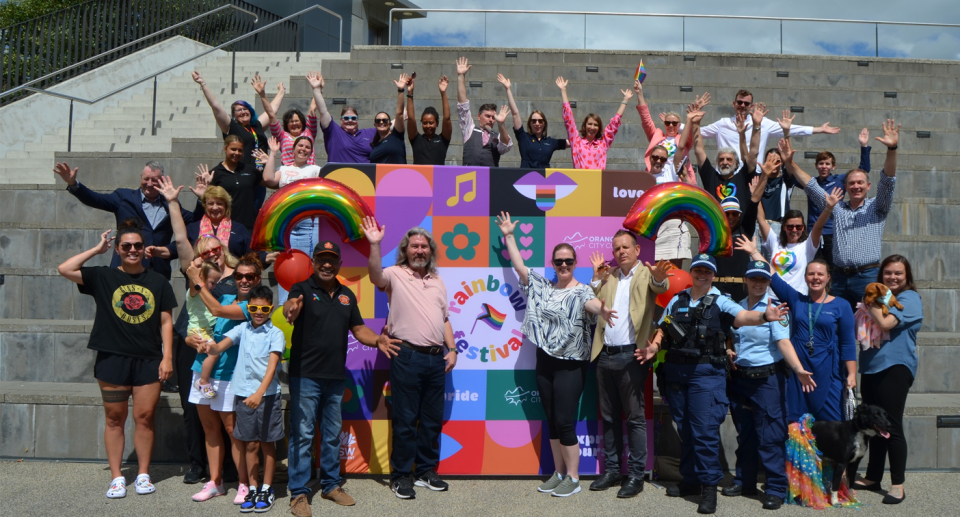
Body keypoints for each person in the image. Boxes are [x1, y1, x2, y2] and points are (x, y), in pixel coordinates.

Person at [645, 254, 788, 514]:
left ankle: (709, 488)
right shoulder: (678, 299)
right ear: (692, 272)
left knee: (704, 432)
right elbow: (664, 327)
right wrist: (654, 346)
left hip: (706, 375)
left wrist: (764, 317)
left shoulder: (722, 301)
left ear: (713, 274)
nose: (702, 274)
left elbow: (743, 317)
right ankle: (691, 481)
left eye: (707, 271)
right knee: (686, 430)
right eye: (698, 269)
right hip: (677, 375)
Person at [496, 212, 616, 498]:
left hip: (571, 366)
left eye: (569, 261)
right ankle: (559, 472)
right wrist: (509, 236)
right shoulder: (543, 288)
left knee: (564, 420)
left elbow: (592, 304)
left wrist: (602, 309)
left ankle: (573, 478)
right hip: (544, 363)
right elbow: (520, 268)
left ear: (575, 264)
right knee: (551, 419)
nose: (564, 265)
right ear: (553, 263)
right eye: (559, 261)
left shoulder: (582, 291)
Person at [57, 219, 177, 499]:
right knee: (114, 419)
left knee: (145, 417)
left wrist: (167, 356)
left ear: (144, 248)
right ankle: (117, 477)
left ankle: (144, 474)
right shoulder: (103, 276)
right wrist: (97, 249)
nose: (132, 249)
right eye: (126, 246)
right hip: (112, 359)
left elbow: (166, 321)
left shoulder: (157, 281)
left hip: (148, 359)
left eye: (137, 245)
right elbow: (65, 269)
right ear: (118, 249)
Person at [282, 241, 385, 515]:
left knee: (330, 435)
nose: (327, 264)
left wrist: (379, 341)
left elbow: (360, 329)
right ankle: (300, 493)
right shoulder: (301, 289)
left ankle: (330, 485)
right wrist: (290, 309)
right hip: (305, 376)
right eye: (321, 259)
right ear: (313, 262)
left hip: (335, 378)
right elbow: (289, 307)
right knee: (303, 435)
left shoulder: (347, 295)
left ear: (339, 263)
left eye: (332, 260)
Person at [360, 218, 457, 499]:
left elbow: (445, 319)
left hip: (436, 358)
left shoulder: (437, 280)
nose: (419, 250)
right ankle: (401, 476)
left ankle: (426, 471)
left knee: (430, 419)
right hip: (407, 356)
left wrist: (452, 349)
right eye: (414, 246)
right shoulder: (394, 274)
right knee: (405, 419)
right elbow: (375, 276)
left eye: (424, 246)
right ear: (406, 249)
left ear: (431, 251)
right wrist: (375, 244)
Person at [160, 176, 242, 486]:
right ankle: (198, 464)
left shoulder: (238, 276)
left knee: (227, 412)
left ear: (223, 248)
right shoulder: (195, 271)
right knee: (194, 408)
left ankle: (231, 472)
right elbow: (181, 240)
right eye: (205, 252)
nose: (211, 255)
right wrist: (172, 203)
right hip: (190, 343)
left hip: (225, 349)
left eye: (215, 250)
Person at [722, 260, 816, 510]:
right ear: (746, 280)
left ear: (768, 282)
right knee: (746, 434)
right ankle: (745, 481)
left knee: (770, 436)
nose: (758, 283)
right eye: (754, 278)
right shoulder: (737, 309)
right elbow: (731, 338)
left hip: (767, 381)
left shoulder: (778, 309)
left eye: (763, 279)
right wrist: (729, 350)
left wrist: (797, 369)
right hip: (740, 379)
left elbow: (784, 343)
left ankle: (775, 488)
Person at [779, 119, 900, 310]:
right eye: (851, 183)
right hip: (840, 278)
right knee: (838, 328)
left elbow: (888, 181)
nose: (856, 186)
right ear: (845, 187)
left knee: (869, 331)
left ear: (868, 186)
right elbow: (812, 187)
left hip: (866, 276)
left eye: (860, 183)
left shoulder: (878, 207)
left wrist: (892, 150)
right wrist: (790, 163)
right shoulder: (838, 208)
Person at [736, 237, 856, 422]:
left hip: (828, 370)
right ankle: (799, 453)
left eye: (820, 274)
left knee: (831, 423)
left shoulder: (842, 305)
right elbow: (774, 276)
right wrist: (753, 252)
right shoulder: (796, 300)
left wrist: (852, 374)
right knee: (797, 424)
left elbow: (848, 343)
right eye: (811, 274)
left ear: (828, 277)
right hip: (799, 369)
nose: (815, 278)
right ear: (805, 277)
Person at [586, 231, 670, 498]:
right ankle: (612, 470)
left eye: (626, 247)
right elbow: (591, 302)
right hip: (604, 355)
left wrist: (658, 276)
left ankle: (635, 475)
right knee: (609, 418)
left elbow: (661, 286)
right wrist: (596, 279)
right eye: (616, 248)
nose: (621, 251)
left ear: (636, 250)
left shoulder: (647, 273)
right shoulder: (608, 276)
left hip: (632, 357)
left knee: (634, 419)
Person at [184, 254, 266, 504]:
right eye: (239, 275)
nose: (243, 280)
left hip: (231, 376)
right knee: (209, 429)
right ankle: (216, 482)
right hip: (203, 370)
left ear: (257, 279)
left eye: (249, 276)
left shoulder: (251, 306)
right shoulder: (226, 296)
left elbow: (216, 310)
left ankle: (242, 484)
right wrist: (190, 338)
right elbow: (201, 316)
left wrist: (196, 280)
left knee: (232, 431)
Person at [199, 285, 285, 513]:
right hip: (243, 395)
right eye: (254, 307)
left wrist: (259, 393)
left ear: (271, 308)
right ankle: (253, 488)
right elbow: (219, 347)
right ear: (248, 308)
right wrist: (208, 346)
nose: (258, 312)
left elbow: (272, 367)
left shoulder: (276, 334)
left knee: (267, 443)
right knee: (249, 444)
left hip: (266, 396)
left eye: (263, 308)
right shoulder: (242, 329)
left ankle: (267, 488)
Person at [848, 255, 922, 505]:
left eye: (898, 273)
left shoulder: (908, 299)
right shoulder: (879, 297)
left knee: (891, 426)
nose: (893, 277)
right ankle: (873, 477)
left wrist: (870, 302)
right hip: (871, 368)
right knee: (874, 427)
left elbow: (885, 322)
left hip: (896, 368)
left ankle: (898, 484)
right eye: (888, 273)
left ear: (906, 276)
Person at [53, 160, 201, 280]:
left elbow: (195, 221)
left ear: (162, 181)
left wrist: (202, 199)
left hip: (156, 272)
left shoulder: (171, 204)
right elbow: (96, 199)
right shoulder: (124, 197)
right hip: (124, 267)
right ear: (140, 178)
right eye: (146, 179)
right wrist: (74, 184)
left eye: (154, 180)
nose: (149, 183)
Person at [684, 102, 764, 301]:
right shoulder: (712, 178)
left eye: (729, 160)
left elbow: (753, 153)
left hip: (741, 233)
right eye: (721, 160)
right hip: (715, 237)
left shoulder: (742, 177)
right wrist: (695, 124)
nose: (725, 162)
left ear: (736, 164)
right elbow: (700, 151)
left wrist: (756, 126)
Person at [699, 88, 840, 167]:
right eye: (739, 102)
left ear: (751, 106)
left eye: (746, 104)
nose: (742, 105)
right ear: (733, 104)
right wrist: (676, 126)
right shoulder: (722, 124)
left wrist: (819, 129)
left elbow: (792, 128)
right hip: (726, 174)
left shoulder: (763, 123)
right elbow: (697, 132)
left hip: (753, 175)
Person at [260, 135, 322, 303]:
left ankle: (308, 304)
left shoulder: (316, 170)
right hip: (286, 227)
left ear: (311, 152)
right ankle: (284, 307)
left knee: (308, 267)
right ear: (293, 149)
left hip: (308, 226)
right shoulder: (284, 169)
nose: (303, 149)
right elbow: (268, 179)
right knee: (287, 267)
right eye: (300, 145)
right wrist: (272, 153)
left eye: (307, 147)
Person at [756, 186, 840, 295]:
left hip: (797, 300)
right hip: (773, 299)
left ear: (803, 228)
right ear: (784, 228)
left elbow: (818, 226)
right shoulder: (775, 242)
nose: (794, 230)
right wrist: (756, 195)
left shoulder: (807, 246)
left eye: (798, 227)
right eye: (790, 227)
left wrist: (828, 208)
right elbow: (762, 221)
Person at [810, 128, 873, 269]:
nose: (824, 167)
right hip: (813, 232)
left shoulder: (839, 180)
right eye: (821, 164)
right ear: (816, 166)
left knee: (831, 270)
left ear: (833, 166)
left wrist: (864, 146)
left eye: (827, 164)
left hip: (832, 232)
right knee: (813, 269)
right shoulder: (812, 183)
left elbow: (863, 170)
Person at [634, 81, 703, 184]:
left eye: (674, 123)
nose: (671, 125)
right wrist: (640, 94)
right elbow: (646, 120)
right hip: (656, 176)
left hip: (676, 178)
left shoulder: (682, 139)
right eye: (668, 123)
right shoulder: (657, 135)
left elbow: (686, 139)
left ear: (679, 125)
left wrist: (694, 117)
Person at [557, 76, 631, 170]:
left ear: (599, 128)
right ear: (585, 125)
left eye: (596, 125)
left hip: (598, 183)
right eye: (590, 124)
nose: (592, 127)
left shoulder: (603, 144)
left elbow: (614, 123)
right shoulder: (576, 141)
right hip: (580, 183)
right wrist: (563, 90)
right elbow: (569, 119)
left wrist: (625, 100)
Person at [498, 73, 567, 168]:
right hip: (526, 179)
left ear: (544, 124)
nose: (537, 123)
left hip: (544, 180)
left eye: (540, 121)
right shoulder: (524, 138)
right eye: (534, 121)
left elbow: (574, 142)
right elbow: (515, 113)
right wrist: (508, 89)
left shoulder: (551, 142)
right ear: (530, 124)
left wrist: (563, 90)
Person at [308, 72, 378, 163]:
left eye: (353, 118)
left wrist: (401, 92)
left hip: (363, 176)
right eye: (346, 118)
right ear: (341, 120)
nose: (350, 121)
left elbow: (390, 125)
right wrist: (316, 90)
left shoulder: (369, 133)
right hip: (338, 175)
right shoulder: (333, 131)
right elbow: (323, 111)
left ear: (357, 120)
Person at [198, 135, 263, 232]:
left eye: (240, 150)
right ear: (225, 148)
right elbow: (209, 201)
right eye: (233, 149)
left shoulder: (250, 170)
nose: (237, 153)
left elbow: (270, 183)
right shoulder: (215, 173)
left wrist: (270, 159)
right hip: (225, 226)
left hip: (249, 226)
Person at [455, 57, 512, 166]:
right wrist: (461, 76)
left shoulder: (497, 136)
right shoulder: (469, 130)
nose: (491, 120)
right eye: (487, 116)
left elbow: (506, 144)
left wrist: (501, 123)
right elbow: (463, 105)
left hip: (491, 180)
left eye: (493, 117)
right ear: (478, 116)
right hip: (468, 178)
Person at [260, 81, 320, 166]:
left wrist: (317, 88)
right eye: (291, 122)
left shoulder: (309, 132)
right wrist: (262, 94)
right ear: (287, 125)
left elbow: (312, 109)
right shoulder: (282, 136)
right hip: (289, 175)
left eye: (297, 121)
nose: (294, 123)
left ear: (302, 122)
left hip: (308, 174)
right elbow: (271, 114)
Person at [187, 260, 222, 400]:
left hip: (205, 329)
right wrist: (195, 266)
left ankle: (204, 380)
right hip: (197, 329)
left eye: (216, 283)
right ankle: (203, 381)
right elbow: (193, 282)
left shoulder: (207, 295)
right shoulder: (194, 292)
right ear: (201, 278)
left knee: (212, 352)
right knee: (214, 353)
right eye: (212, 282)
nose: (214, 286)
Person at [406, 74, 453, 165]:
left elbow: (447, 118)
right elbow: (411, 118)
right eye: (425, 123)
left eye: (431, 123)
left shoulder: (443, 140)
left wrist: (443, 93)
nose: (428, 126)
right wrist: (410, 93)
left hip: (438, 178)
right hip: (419, 178)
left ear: (437, 123)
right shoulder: (416, 139)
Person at [369, 74, 411, 164]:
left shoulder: (396, 136)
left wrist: (401, 90)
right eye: (378, 121)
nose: (381, 122)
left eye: (384, 120)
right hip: (381, 178)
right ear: (375, 125)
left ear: (390, 123)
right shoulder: (374, 144)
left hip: (398, 176)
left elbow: (399, 114)